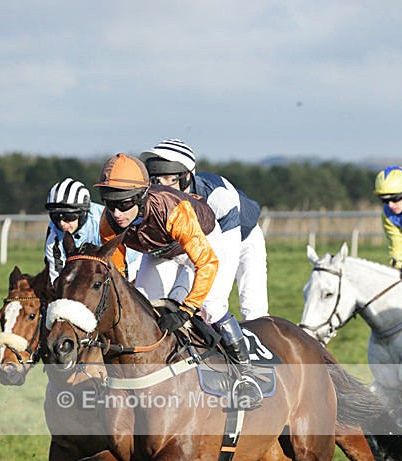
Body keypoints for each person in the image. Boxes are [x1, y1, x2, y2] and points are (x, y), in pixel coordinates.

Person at [95, 152, 263, 409]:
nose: (117, 213)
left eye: (125, 204)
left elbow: (206, 263)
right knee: (142, 305)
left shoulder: (174, 211)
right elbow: (119, 276)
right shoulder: (108, 223)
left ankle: (247, 376)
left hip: (204, 242)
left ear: (141, 197)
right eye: (109, 203)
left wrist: (186, 310)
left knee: (212, 306)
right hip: (162, 248)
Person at [140, 138, 269, 321]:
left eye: (170, 180)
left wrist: (204, 305)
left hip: (241, 237)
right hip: (199, 239)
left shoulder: (217, 197)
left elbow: (218, 258)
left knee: (247, 309)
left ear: (187, 177)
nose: (162, 188)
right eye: (156, 180)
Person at [44, 177, 142, 285]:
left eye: (68, 216)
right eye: (55, 216)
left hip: (132, 262)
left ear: (83, 213)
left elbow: (119, 267)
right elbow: (55, 273)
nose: (62, 223)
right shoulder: (54, 229)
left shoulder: (103, 221)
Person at [374, 165, 402, 276]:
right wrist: (399, 268)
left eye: (395, 199)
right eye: (385, 200)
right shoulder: (388, 214)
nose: (390, 205)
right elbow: (397, 246)